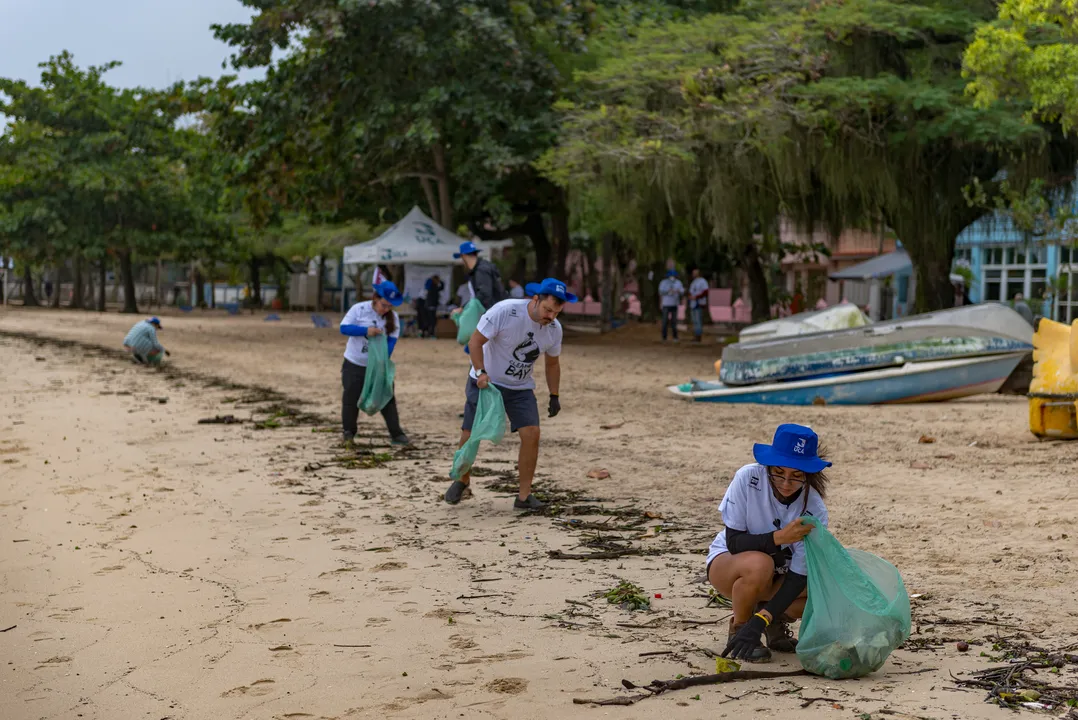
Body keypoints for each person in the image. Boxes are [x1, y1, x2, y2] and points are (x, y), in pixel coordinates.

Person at [444, 277, 573, 511]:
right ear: (536, 299)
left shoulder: (554, 330)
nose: (551, 317)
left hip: (520, 387)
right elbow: (475, 342)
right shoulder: (505, 311)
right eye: (547, 310)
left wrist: (554, 395)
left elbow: (552, 364)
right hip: (486, 382)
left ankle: (524, 497)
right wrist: (481, 372)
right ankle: (462, 480)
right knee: (469, 432)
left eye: (556, 312)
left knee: (532, 433)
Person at [707, 423, 831, 663]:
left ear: (809, 475)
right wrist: (781, 538)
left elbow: (799, 576)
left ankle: (771, 623)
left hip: (780, 576)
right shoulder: (747, 477)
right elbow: (734, 542)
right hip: (731, 566)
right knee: (759, 563)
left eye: (797, 476)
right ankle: (741, 628)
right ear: (769, 466)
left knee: (821, 587)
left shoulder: (814, 509)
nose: (786, 483)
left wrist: (762, 618)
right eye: (779, 472)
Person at [339, 280, 411, 447]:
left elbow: (392, 340)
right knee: (351, 397)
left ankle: (396, 433)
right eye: (383, 305)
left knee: (387, 397)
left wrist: (383, 359)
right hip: (354, 363)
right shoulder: (359, 309)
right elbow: (344, 328)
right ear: (375, 299)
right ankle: (348, 432)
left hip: (378, 366)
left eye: (389, 307)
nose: (386, 309)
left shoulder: (393, 318)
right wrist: (365, 331)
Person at [453, 241, 507, 313]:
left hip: (494, 313)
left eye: (461, 258)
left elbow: (484, 294)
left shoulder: (481, 270)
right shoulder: (480, 268)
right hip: (496, 311)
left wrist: (464, 308)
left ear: (464, 256)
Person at [658, 269, 684, 342]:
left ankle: (675, 337)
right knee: (665, 321)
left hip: (674, 304)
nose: (672, 277)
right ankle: (664, 337)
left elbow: (682, 291)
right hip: (666, 304)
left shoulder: (678, 282)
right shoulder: (663, 282)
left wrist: (678, 291)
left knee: (674, 322)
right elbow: (660, 292)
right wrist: (668, 291)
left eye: (673, 276)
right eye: (671, 276)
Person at [688, 268, 709, 343]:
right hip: (693, 303)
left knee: (698, 320)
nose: (693, 274)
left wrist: (696, 297)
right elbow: (691, 291)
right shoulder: (694, 282)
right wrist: (690, 296)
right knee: (694, 320)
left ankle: (698, 336)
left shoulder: (702, 281)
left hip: (699, 303)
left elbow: (706, 292)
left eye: (695, 273)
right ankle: (695, 335)